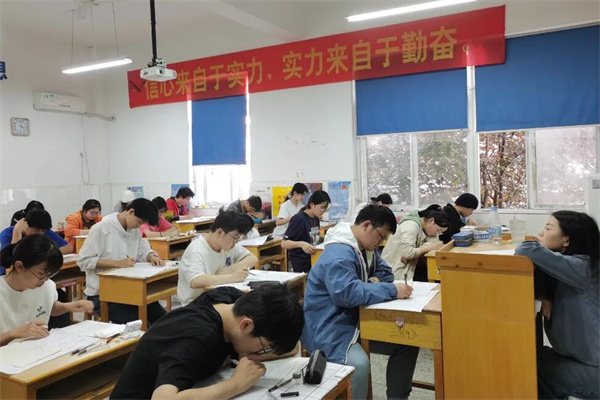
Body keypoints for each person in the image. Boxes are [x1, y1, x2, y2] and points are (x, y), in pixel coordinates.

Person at [110, 285, 304, 400]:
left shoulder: (231, 300)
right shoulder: (197, 337)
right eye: (264, 348)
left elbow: (289, 349)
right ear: (245, 325)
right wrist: (235, 385)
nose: (262, 354)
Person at [302, 205, 415, 399]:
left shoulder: (365, 248)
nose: (380, 243)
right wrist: (391, 290)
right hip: (329, 326)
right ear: (367, 225)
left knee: (407, 341)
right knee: (359, 365)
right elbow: (347, 294)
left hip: (354, 319)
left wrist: (371, 284)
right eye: (381, 236)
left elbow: (385, 272)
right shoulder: (339, 254)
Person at [515, 211, 599, 399]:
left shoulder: (581, 268)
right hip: (585, 361)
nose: (541, 232)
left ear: (566, 240)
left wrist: (537, 243)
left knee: (529, 365)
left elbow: (525, 249)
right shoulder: (578, 267)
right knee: (536, 357)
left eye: (548, 228)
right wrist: (545, 296)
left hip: (594, 369)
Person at [77, 198, 167, 324]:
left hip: (128, 289)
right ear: (131, 212)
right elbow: (83, 261)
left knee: (162, 318)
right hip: (102, 295)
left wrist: (152, 256)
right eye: (139, 222)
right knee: (141, 324)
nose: (139, 226)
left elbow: (143, 249)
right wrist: (117, 263)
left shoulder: (133, 229)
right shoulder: (101, 228)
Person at [0, 235, 94, 346]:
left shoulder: (46, 286)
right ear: (19, 267)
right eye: (41, 274)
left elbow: (48, 307)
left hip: (39, 349)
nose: (44, 280)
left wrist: (69, 306)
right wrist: (12, 334)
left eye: (49, 275)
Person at [177, 210, 257, 306]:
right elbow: (195, 280)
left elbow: (253, 258)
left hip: (218, 297)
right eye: (235, 237)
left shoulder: (225, 245)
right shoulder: (196, 250)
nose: (235, 242)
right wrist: (232, 277)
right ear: (219, 232)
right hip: (196, 304)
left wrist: (229, 270)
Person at [381, 204, 449, 281]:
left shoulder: (426, 228)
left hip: (410, 268)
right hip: (394, 273)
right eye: (438, 230)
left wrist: (421, 249)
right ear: (431, 221)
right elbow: (408, 253)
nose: (437, 234)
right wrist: (429, 247)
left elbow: (435, 242)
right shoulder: (410, 226)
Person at [282, 190, 331, 273]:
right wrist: (301, 244)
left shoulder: (315, 218)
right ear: (312, 205)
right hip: (302, 264)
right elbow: (284, 243)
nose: (323, 211)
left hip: (314, 259)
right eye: (322, 208)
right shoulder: (298, 219)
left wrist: (325, 239)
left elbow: (313, 238)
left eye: (325, 209)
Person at [0, 209, 72, 255]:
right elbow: (12, 258)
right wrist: (17, 231)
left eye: (43, 231)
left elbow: (68, 248)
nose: (40, 234)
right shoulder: (7, 234)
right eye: (36, 230)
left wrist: (48, 254)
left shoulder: (44, 231)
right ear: (26, 224)